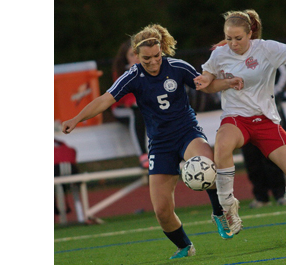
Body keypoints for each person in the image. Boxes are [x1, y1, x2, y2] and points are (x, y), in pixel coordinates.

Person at [61, 24, 233, 260]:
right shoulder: (132, 76)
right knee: (162, 211)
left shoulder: (178, 66)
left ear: (162, 49)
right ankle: (185, 246)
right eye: (146, 59)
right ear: (135, 55)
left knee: (206, 165)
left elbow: (206, 85)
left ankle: (218, 213)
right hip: (160, 144)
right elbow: (104, 100)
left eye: (156, 56)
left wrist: (229, 82)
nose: (152, 63)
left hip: (187, 132)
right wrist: (76, 118)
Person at [194, 9, 286, 238]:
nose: (232, 44)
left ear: (250, 33)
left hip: (265, 119)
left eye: (238, 38)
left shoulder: (266, 48)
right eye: (229, 38)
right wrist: (215, 81)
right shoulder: (220, 54)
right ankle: (228, 209)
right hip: (236, 117)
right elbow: (209, 83)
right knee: (222, 146)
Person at [242, 65, 286, 208]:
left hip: (268, 113)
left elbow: (282, 72)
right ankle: (261, 197)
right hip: (243, 115)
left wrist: (272, 93)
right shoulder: (226, 58)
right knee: (252, 160)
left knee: (273, 156)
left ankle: (280, 194)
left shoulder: (265, 51)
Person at [110, 40, 149, 168]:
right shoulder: (121, 73)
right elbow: (124, 99)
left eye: (138, 54)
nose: (135, 58)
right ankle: (143, 155)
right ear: (126, 58)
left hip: (144, 110)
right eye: (132, 55)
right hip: (122, 109)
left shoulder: (150, 69)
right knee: (135, 114)